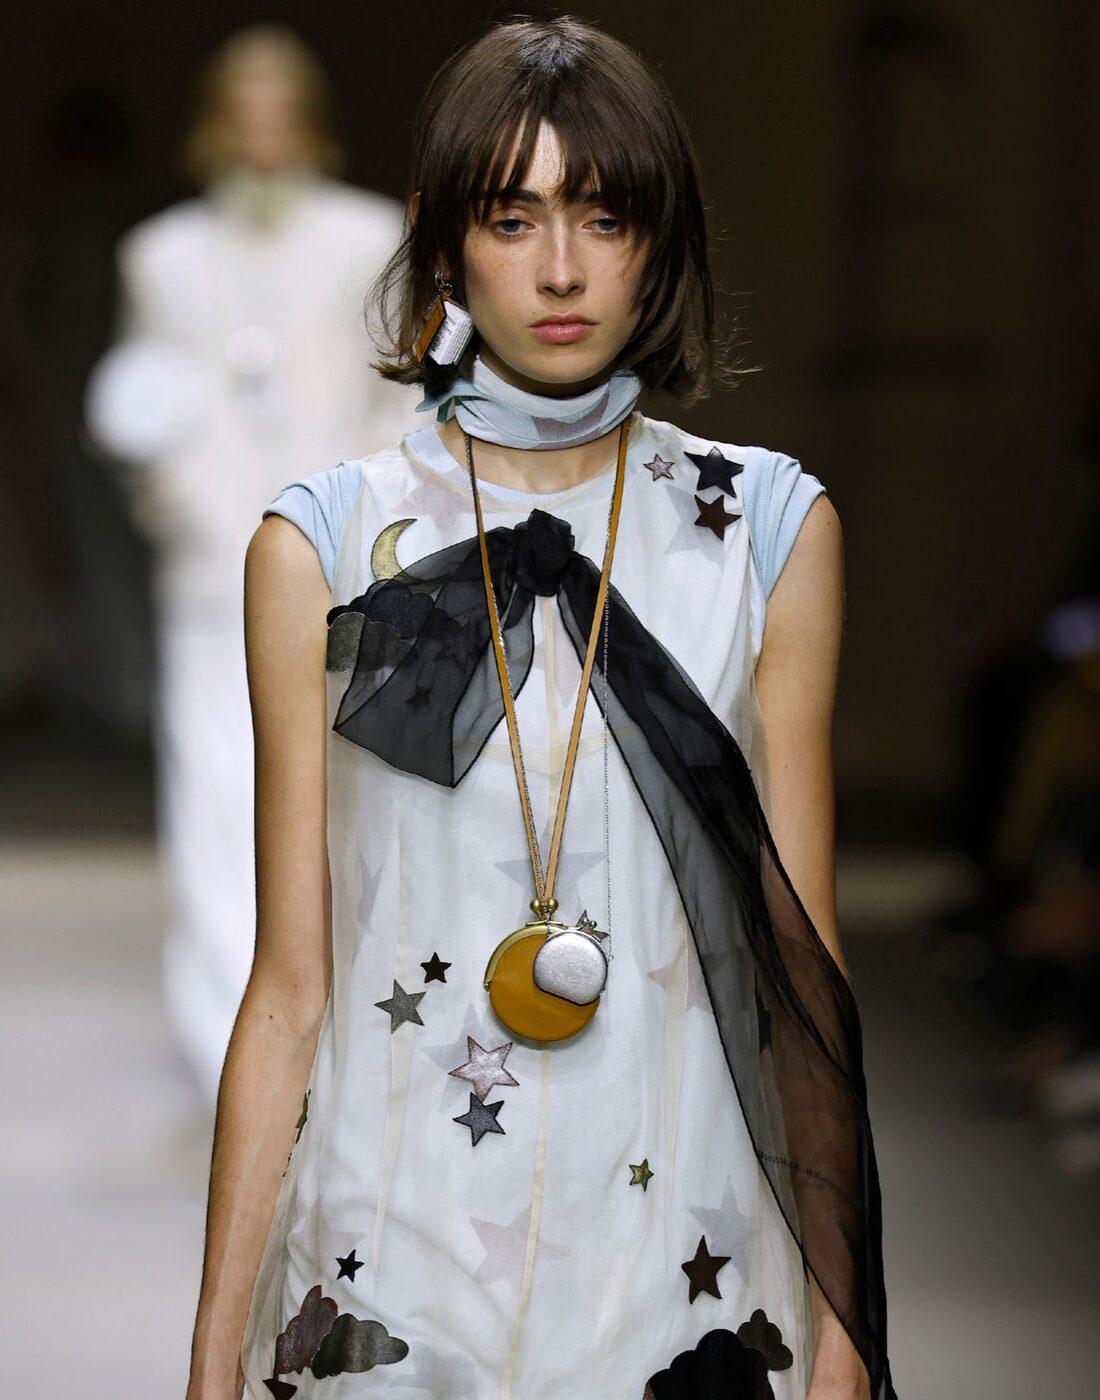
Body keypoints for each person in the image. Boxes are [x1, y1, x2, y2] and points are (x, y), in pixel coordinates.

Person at [185, 17, 898, 1400]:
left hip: (684, 1265)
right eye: (512, 219)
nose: (561, 268)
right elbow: (287, 987)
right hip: (391, 1259)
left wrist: (847, 1331)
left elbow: (800, 969)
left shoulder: (763, 531)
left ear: (659, 239)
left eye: (604, 217)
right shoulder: (323, 546)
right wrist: (212, 1353)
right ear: (441, 240)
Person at [84, 25, 421, 1103]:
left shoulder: (368, 238)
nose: (264, 127)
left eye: (283, 106)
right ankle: (229, 1047)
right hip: (209, 568)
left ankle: (339, 1040)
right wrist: (189, 514)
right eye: (246, 105)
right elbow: (141, 407)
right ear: (217, 119)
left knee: (347, 794)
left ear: (310, 117)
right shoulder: (161, 256)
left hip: (343, 567)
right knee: (216, 798)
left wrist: (365, 527)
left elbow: (397, 395)